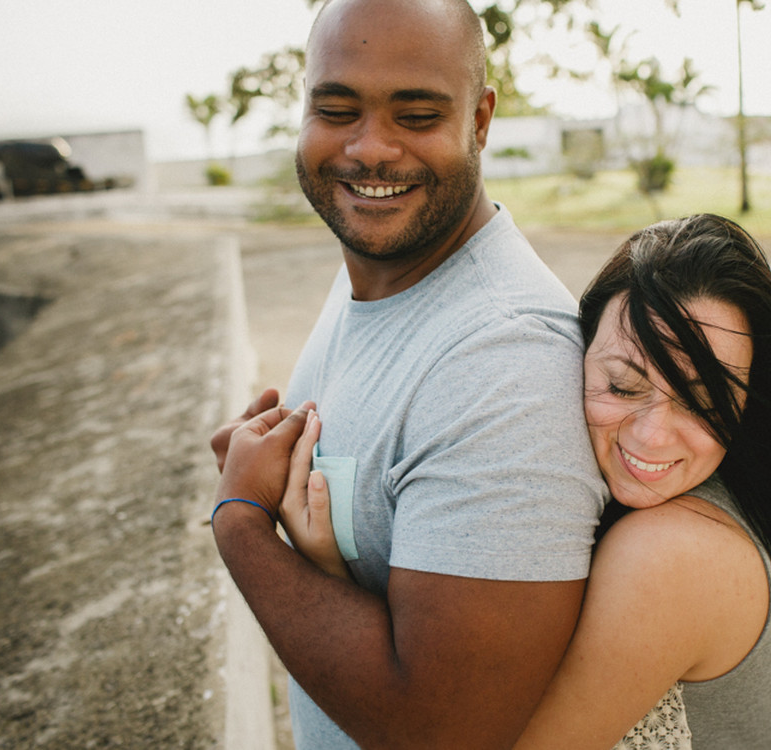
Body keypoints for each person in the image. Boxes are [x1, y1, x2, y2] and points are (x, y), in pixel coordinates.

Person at [274, 213, 771, 748]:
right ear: (575, 355)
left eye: (704, 400)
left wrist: (296, 554)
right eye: (623, 386)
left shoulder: (675, 555)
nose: (652, 437)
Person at [208, 0, 607, 747]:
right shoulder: (375, 267)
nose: (370, 150)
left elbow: (445, 728)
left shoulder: (505, 363)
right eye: (336, 110)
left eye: (417, 116)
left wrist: (239, 522)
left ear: (479, 121)